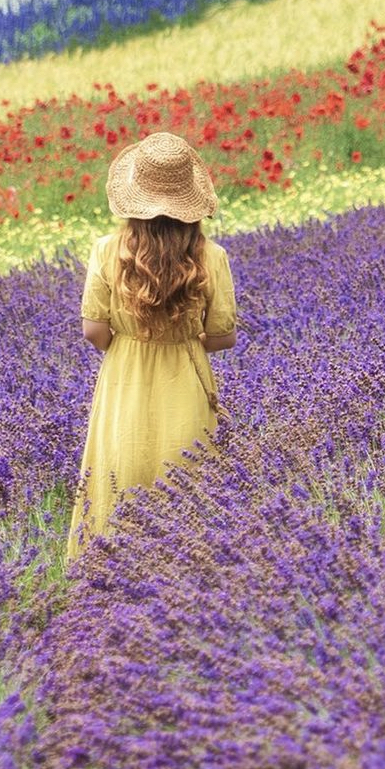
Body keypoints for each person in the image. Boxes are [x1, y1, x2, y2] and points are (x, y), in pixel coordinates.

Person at [66, 131, 237, 563]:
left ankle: (106, 575)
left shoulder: (107, 251)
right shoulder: (211, 256)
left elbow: (93, 330)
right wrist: (183, 339)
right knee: (187, 482)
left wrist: (129, 343)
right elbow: (223, 336)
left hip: (123, 378)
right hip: (186, 379)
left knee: (118, 473)